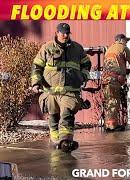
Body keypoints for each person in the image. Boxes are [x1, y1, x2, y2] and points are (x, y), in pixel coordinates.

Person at [31, 23, 92, 152]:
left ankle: (66, 141)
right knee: (53, 117)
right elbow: (37, 66)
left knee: (67, 115)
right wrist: (36, 82)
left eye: (67, 33)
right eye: (63, 33)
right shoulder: (47, 48)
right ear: (57, 33)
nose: (65, 35)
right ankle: (55, 140)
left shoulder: (77, 48)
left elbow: (86, 63)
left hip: (70, 91)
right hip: (50, 92)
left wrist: (83, 76)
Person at [102, 34, 130, 131]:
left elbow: (114, 66)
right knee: (114, 101)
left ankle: (109, 124)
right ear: (121, 40)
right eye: (126, 41)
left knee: (109, 102)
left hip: (106, 80)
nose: (126, 42)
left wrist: (125, 71)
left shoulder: (109, 49)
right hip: (114, 80)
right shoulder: (122, 48)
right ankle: (112, 126)